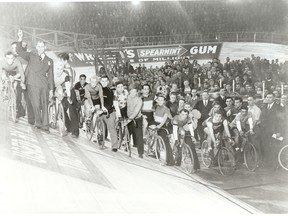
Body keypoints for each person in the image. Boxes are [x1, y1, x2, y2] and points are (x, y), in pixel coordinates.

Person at [16, 29, 54, 133]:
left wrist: (51, 90)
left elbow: (50, 76)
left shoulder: (49, 60)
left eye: (42, 46)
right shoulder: (31, 55)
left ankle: (45, 126)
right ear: (36, 47)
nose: (40, 48)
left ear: (45, 48)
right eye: (38, 46)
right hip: (32, 83)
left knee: (45, 105)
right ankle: (38, 122)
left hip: (44, 85)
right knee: (36, 105)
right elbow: (19, 51)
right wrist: (20, 38)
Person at [0, 51, 26, 119]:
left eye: (11, 58)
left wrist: (22, 82)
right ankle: (5, 94)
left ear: (14, 58)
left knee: (15, 83)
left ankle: (14, 95)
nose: (10, 60)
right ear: (5, 58)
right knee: (3, 77)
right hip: (5, 71)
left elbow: (22, 73)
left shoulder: (17, 61)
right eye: (8, 58)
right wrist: (2, 82)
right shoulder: (2, 62)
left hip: (14, 72)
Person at [150, 94, 173, 165]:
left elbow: (164, 119)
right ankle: (154, 150)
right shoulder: (155, 106)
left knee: (165, 142)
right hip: (156, 123)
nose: (160, 101)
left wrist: (159, 126)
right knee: (152, 133)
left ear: (164, 101)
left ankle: (169, 160)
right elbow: (154, 114)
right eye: (159, 100)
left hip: (163, 125)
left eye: (162, 100)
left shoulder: (166, 109)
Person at [100, 75, 120, 151]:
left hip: (109, 112)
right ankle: (101, 138)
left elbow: (110, 103)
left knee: (111, 128)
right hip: (101, 112)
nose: (104, 83)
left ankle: (114, 146)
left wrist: (106, 109)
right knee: (102, 127)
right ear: (100, 81)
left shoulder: (110, 91)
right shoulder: (97, 90)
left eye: (105, 81)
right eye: (102, 81)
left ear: (108, 82)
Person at [125, 85, 144, 158]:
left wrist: (129, 120)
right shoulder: (127, 97)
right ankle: (126, 146)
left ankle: (140, 152)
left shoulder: (139, 100)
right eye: (132, 91)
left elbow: (136, 112)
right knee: (127, 133)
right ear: (129, 92)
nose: (133, 93)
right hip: (128, 117)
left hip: (137, 119)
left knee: (139, 135)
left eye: (135, 92)